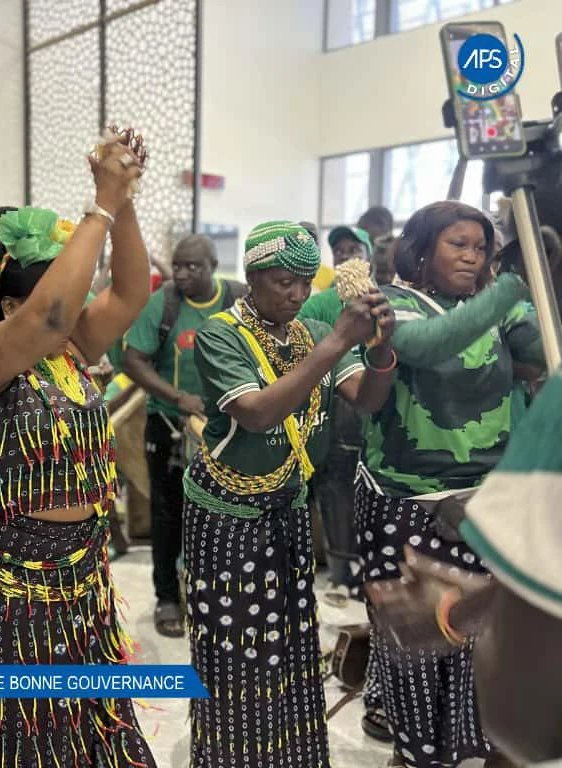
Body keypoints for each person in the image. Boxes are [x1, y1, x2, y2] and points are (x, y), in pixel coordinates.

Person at [0, 131, 157, 766]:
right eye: (60, 302)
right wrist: (97, 203)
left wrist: (124, 200)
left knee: (93, 734)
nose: (76, 312)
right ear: (10, 302)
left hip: (83, 576)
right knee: (25, 739)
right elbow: (48, 316)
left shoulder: (71, 350)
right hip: (9, 586)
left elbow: (130, 293)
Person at [182, 220, 396, 768]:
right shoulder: (221, 334)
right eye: (283, 282)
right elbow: (257, 413)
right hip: (228, 519)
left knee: (288, 645)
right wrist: (334, 341)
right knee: (235, 649)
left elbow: (365, 399)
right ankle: (231, 756)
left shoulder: (302, 334)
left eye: (305, 282)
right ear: (251, 278)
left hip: (286, 508)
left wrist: (380, 347)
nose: (299, 294)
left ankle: (285, 755)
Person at [355, 201, 543, 768]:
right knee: (415, 647)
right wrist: (510, 286)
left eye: (481, 247)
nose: (472, 256)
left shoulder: (501, 309)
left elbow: (542, 353)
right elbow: (429, 346)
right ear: (420, 248)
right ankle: (415, 754)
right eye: (457, 244)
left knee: (473, 647)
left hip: (480, 506)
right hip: (405, 507)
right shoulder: (395, 304)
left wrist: (540, 293)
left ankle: (461, 752)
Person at [122, 233, 245, 637]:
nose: (182, 273)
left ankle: (214, 595)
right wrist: (178, 398)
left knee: (223, 517)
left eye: (193, 266)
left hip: (230, 430)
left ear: (213, 266)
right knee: (167, 513)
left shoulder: (238, 300)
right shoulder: (165, 304)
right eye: (177, 265)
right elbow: (134, 359)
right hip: (170, 428)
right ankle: (167, 597)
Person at [298, 225, 374, 591]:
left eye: (354, 249)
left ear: (369, 256)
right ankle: (342, 575)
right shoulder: (318, 305)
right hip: (334, 411)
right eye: (339, 250)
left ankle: (372, 570)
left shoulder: (386, 300)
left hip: (377, 411)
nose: (345, 256)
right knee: (336, 492)